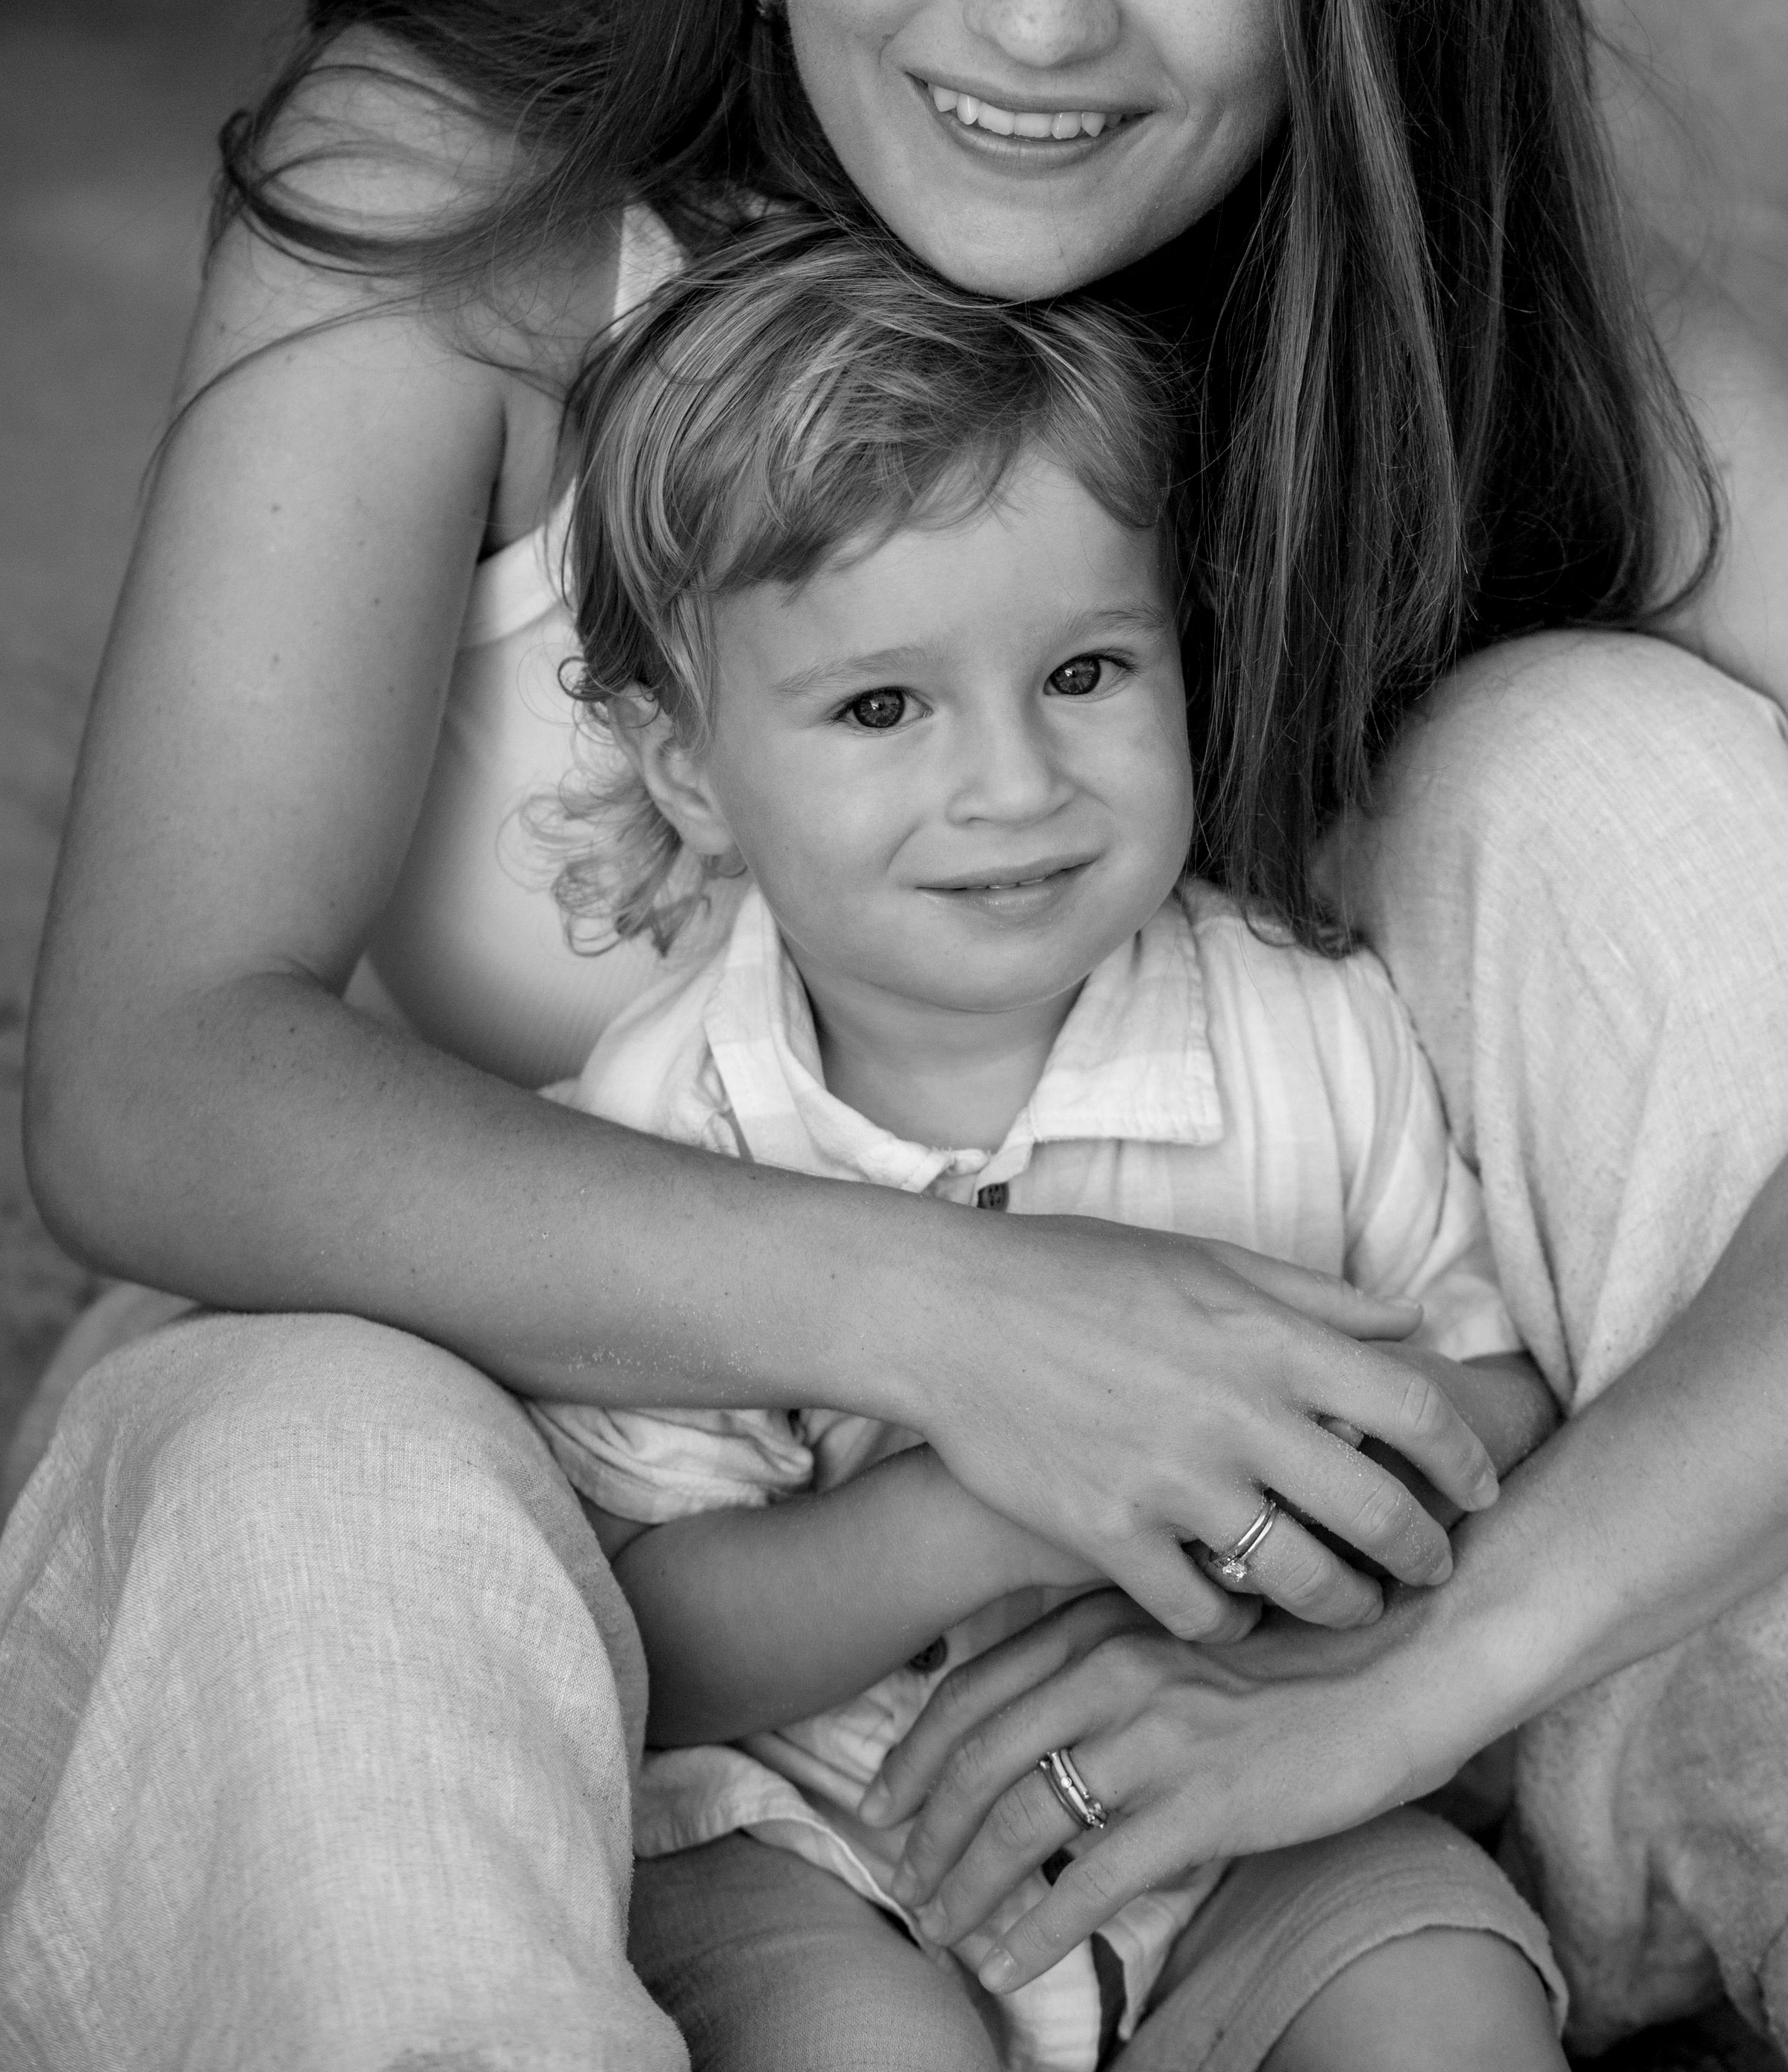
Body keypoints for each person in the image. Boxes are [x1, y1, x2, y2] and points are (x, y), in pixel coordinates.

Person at [3, 0, 1788, 2071]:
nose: (1037, 6)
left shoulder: (1504, 309)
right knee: (317, 1458)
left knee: (1620, 774)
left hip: (1283, 1692)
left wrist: (1441, 1654)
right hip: (522, 1610)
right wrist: (959, 1326)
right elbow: (150, 1081)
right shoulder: (480, 188)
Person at [522, 216, 1566, 2070]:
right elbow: (653, 1648)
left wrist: (1298, 1491)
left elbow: (1494, 1388)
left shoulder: (1302, 1020)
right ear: (687, 767)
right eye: (879, 706)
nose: (1012, 784)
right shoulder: (670, 1123)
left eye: (1085, 674)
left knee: (1440, 2001)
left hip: (1253, 1801)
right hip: (830, 1834)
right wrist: (985, 1507)